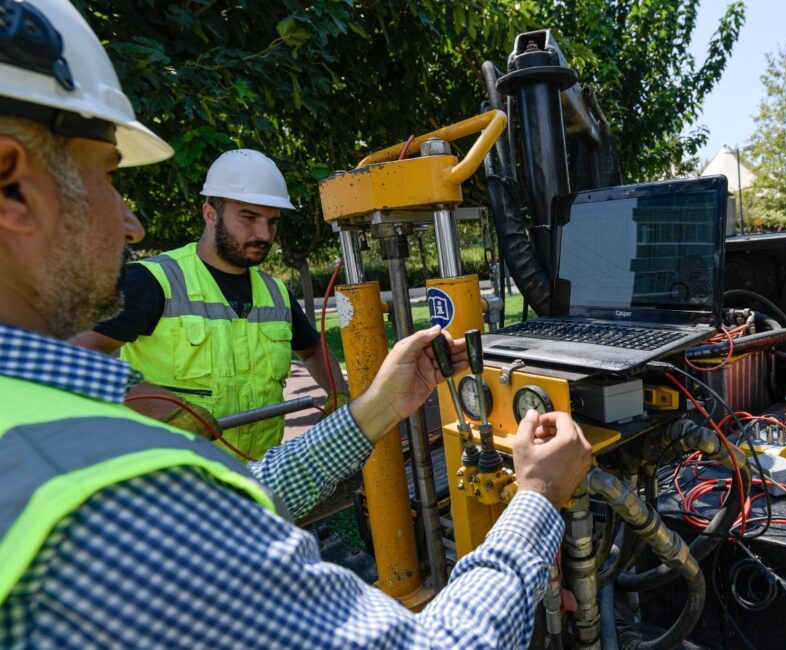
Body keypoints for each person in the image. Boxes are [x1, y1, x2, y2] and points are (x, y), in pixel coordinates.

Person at [0, 1, 593, 647]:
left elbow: (236, 496)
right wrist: (537, 498)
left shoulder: (37, 419)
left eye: (269, 221)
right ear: (12, 183)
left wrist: (373, 407)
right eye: (109, 176)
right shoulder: (118, 490)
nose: (130, 222)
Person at [70, 148, 348, 460]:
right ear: (210, 213)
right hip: (173, 478)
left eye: (272, 221)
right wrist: (158, 406)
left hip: (259, 475)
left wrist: (339, 393)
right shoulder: (153, 281)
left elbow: (311, 348)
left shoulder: (274, 292)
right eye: (249, 217)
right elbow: (75, 356)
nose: (264, 234)